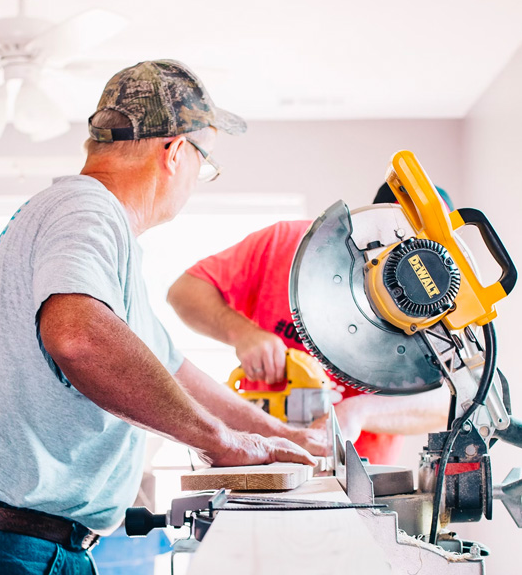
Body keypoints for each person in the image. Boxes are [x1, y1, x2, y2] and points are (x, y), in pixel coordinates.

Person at [0, 60, 327, 575]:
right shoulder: (87, 209)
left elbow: (175, 370)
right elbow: (78, 338)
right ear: (174, 151)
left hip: (8, 544)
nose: (200, 177)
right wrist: (220, 442)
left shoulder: (88, 226)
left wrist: (276, 435)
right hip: (4, 549)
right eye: (205, 160)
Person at [166, 184, 453, 465]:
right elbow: (185, 291)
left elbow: (449, 403)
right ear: (370, 219)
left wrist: (359, 411)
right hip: (258, 456)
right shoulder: (287, 243)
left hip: (357, 475)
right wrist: (242, 333)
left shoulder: (437, 307)